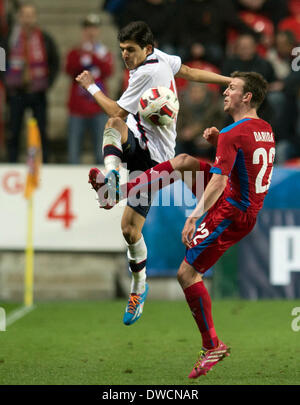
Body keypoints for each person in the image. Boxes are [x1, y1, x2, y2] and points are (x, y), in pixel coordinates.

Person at [94, 70, 275, 378]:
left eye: (232, 88)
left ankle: (212, 345)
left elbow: (218, 182)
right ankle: (120, 191)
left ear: (247, 96)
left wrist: (194, 216)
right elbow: (249, 161)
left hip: (231, 210)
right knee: (183, 162)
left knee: (186, 273)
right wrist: (220, 141)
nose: (225, 92)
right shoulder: (264, 129)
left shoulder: (236, 133)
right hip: (238, 198)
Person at [76, 21, 231, 326]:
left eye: (130, 50)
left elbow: (116, 110)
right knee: (115, 130)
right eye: (121, 50)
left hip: (155, 161)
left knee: (130, 229)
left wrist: (91, 86)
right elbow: (187, 71)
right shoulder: (158, 57)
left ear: (146, 48)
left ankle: (114, 187)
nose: (125, 55)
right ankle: (114, 179)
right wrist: (227, 78)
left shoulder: (147, 71)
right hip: (136, 146)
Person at [5, 1, 60, 163]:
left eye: (30, 16)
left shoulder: (44, 39)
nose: (27, 19)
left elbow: (54, 61)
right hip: (16, 93)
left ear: (35, 18)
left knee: (41, 131)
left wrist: (47, 83)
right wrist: (5, 81)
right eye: (24, 16)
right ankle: (12, 165)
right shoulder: (10, 38)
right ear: (19, 18)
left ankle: (43, 164)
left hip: (38, 93)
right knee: (14, 131)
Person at [65, 14, 114, 164]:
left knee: (101, 153)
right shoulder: (75, 51)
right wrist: (83, 53)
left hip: (98, 107)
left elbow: (108, 70)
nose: (91, 32)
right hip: (77, 108)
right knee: (74, 152)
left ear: (98, 30)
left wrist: (93, 55)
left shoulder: (104, 52)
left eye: (94, 28)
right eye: (88, 28)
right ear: (83, 30)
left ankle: (102, 185)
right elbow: (69, 69)